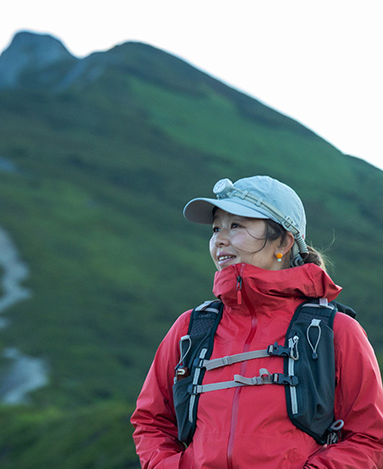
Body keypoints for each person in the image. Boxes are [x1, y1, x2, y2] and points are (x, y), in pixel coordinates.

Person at [131, 175, 383, 468]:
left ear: (285, 241)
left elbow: (369, 437)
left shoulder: (336, 331)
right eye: (216, 229)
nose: (219, 240)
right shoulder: (190, 328)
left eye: (236, 225)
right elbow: (151, 421)